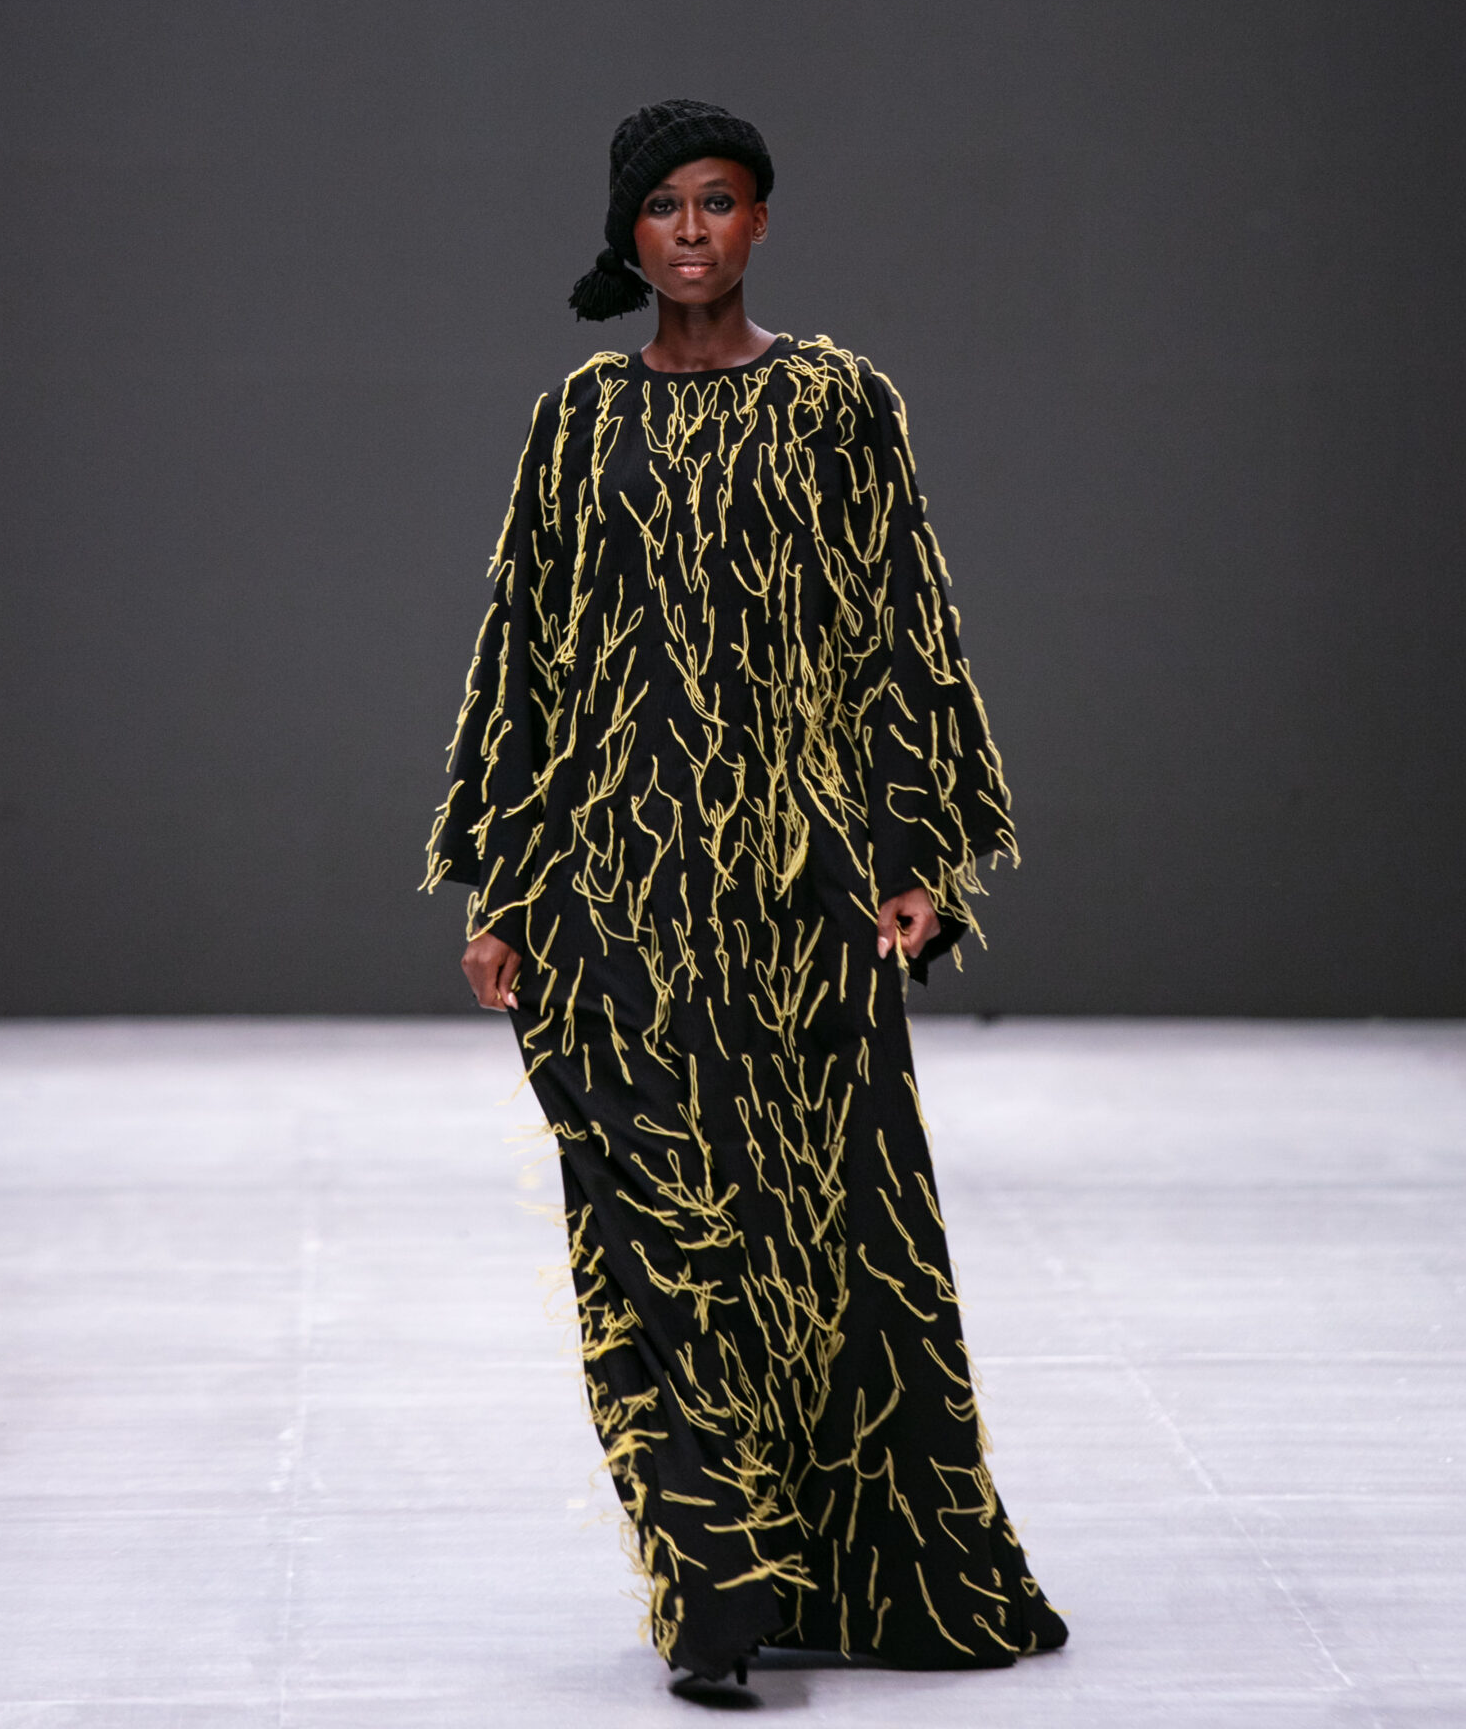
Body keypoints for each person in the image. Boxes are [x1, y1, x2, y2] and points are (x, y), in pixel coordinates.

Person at [426, 98, 1067, 1700]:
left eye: (717, 201)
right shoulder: (577, 421)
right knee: (649, 1228)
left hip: (797, 895)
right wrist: (502, 888)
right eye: (662, 205)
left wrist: (913, 857)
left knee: (829, 1231)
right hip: (612, 892)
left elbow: (902, 629)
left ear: (761, 221)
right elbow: (524, 654)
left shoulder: (839, 403)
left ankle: (862, 1575)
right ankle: (714, 1593)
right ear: (627, 233)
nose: (691, 230)